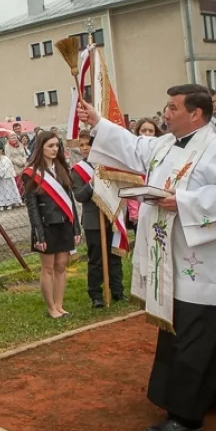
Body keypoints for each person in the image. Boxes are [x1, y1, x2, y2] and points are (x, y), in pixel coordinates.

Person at [77, 84, 216, 431]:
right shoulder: (163, 144)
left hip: (204, 262)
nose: (166, 113)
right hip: (172, 257)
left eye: (173, 107)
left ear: (196, 114)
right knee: (204, 331)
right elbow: (132, 147)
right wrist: (97, 121)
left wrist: (185, 202)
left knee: (194, 336)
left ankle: (185, 414)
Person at [22, 131, 82, 319]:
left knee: (62, 265)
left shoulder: (62, 168)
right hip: (46, 226)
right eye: (50, 146)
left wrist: (76, 228)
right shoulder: (30, 173)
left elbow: (70, 201)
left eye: (57, 145)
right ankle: (51, 308)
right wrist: (38, 235)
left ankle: (59, 305)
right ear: (41, 148)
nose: (55, 149)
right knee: (47, 268)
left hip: (64, 224)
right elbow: (32, 208)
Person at [72, 130, 124, 308]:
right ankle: (96, 294)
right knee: (96, 259)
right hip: (94, 220)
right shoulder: (78, 170)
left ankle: (117, 290)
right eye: (82, 145)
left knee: (114, 255)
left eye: (89, 144)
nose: (86, 148)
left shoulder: (107, 164)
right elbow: (79, 195)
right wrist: (91, 183)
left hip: (112, 215)